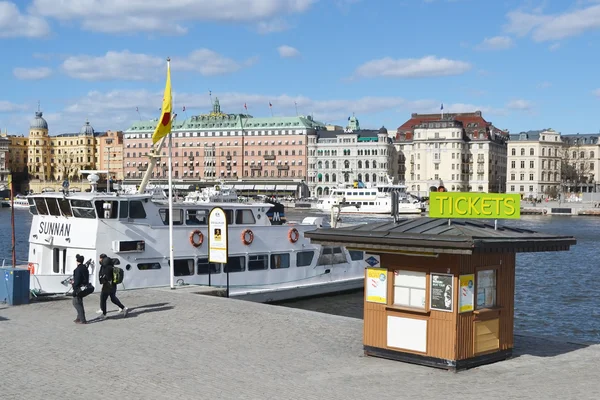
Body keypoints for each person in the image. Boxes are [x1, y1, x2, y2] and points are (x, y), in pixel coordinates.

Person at [98, 253, 128, 320]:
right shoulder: (111, 266)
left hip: (107, 286)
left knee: (103, 299)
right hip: (113, 285)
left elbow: (106, 277)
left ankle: (104, 314)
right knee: (113, 298)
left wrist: (102, 280)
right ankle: (123, 308)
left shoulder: (106, 268)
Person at [71, 254, 89, 324]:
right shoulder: (85, 268)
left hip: (78, 288)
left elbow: (77, 280)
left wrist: (73, 283)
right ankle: (79, 318)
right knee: (79, 302)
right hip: (84, 287)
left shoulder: (77, 269)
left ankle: (82, 319)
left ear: (77, 261)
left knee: (76, 303)